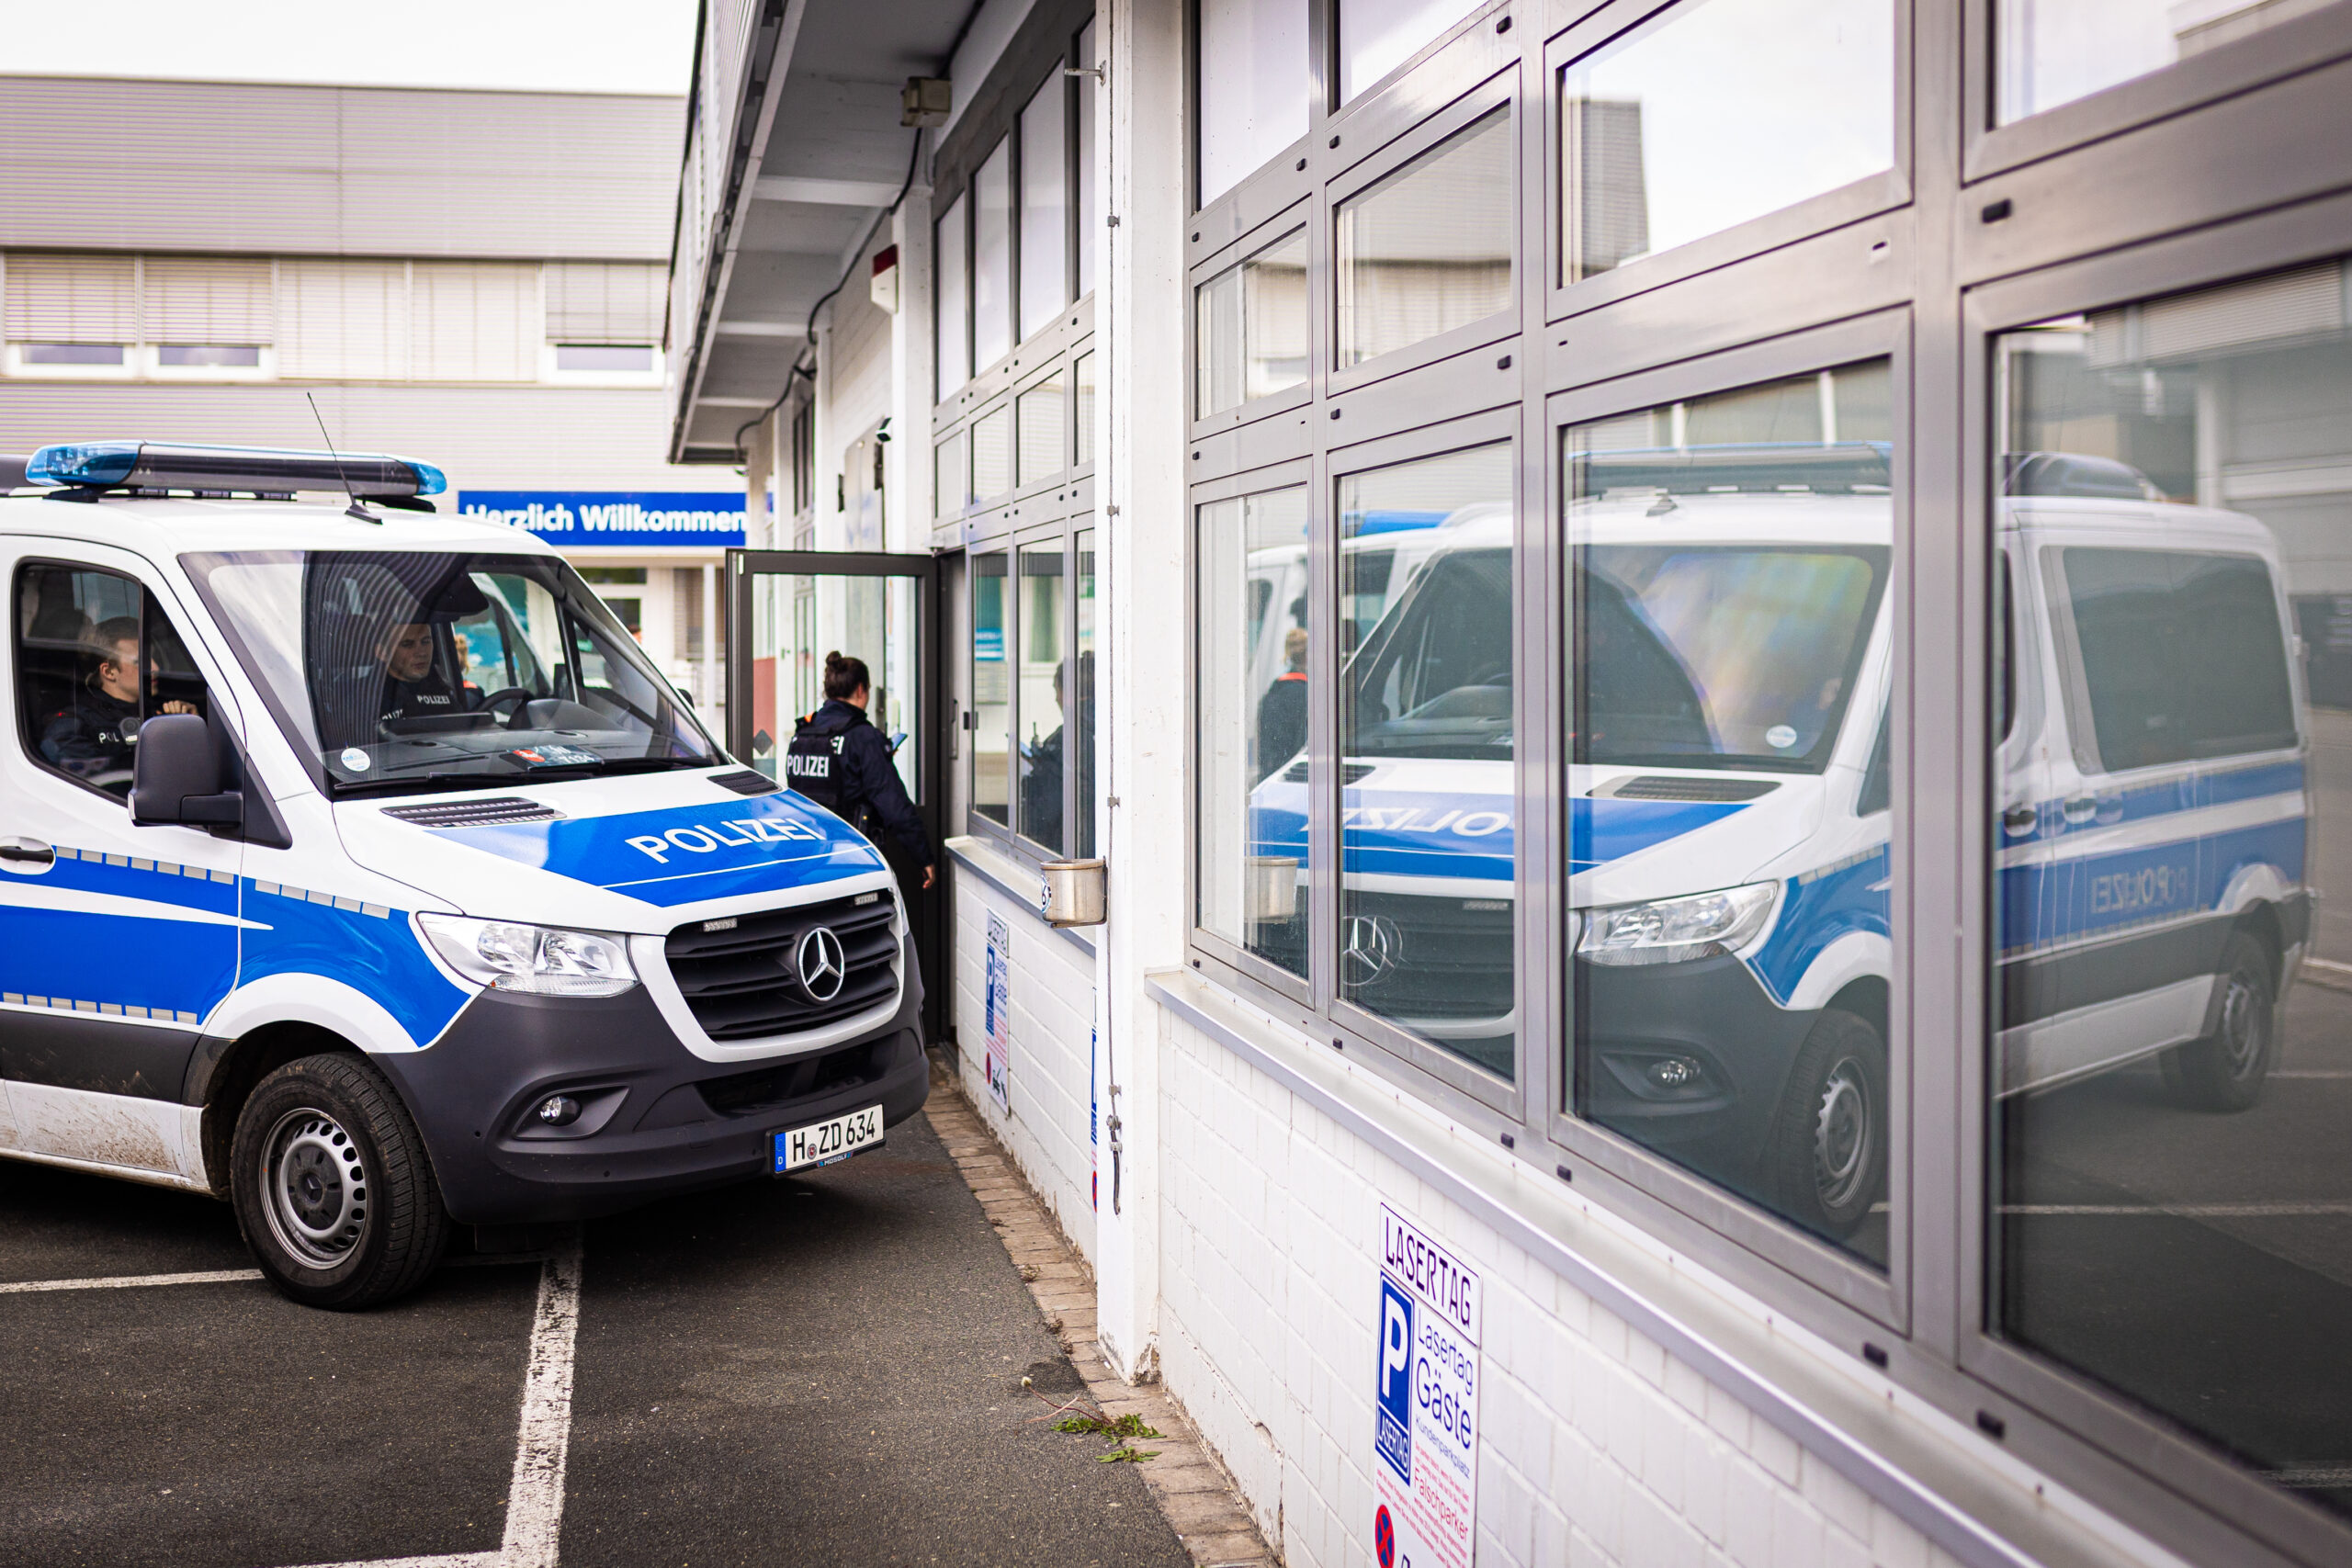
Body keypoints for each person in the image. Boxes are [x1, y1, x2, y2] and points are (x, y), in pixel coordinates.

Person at [786, 651, 937, 890]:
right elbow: (894, 807)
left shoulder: (803, 733)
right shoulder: (863, 738)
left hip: (806, 860)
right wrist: (924, 856)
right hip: (853, 860)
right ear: (860, 690)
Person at [40, 617, 196, 788]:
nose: (155, 667)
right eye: (139, 661)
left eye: (153, 657)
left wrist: (190, 728)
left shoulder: (163, 713)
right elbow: (96, 777)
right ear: (109, 672)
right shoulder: (74, 722)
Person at [377, 620, 474, 726]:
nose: (422, 653)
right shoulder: (368, 694)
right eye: (407, 644)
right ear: (383, 653)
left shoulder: (439, 687)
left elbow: (463, 728)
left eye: (425, 642)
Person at [1255, 625, 1308, 783]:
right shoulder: (1306, 695)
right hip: (1296, 775)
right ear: (1307, 656)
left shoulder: (1274, 690)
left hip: (1273, 774)